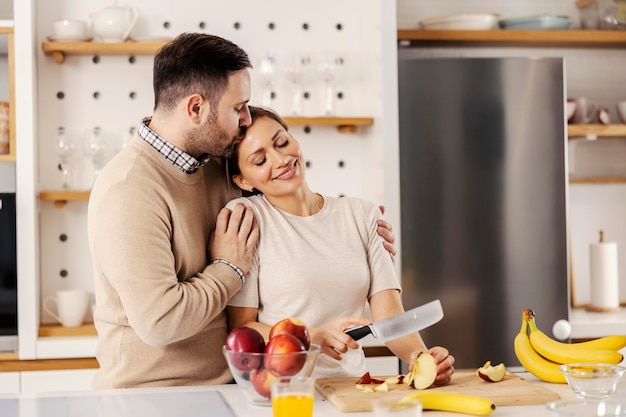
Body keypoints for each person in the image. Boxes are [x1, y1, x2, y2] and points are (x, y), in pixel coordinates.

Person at [87, 32, 396, 389]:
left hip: (236, 387)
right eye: (238, 108)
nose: (247, 118)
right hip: (157, 395)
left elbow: (284, 197)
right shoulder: (127, 191)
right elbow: (162, 323)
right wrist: (229, 268)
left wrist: (358, 229)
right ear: (196, 108)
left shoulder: (217, 166)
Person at [225, 106, 455, 385]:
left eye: (282, 142)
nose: (281, 159)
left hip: (353, 388)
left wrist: (421, 358)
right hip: (282, 392)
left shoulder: (362, 214)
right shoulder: (248, 219)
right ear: (243, 180)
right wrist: (310, 336)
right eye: (260, 160)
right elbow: (243, 328)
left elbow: (389, 316)